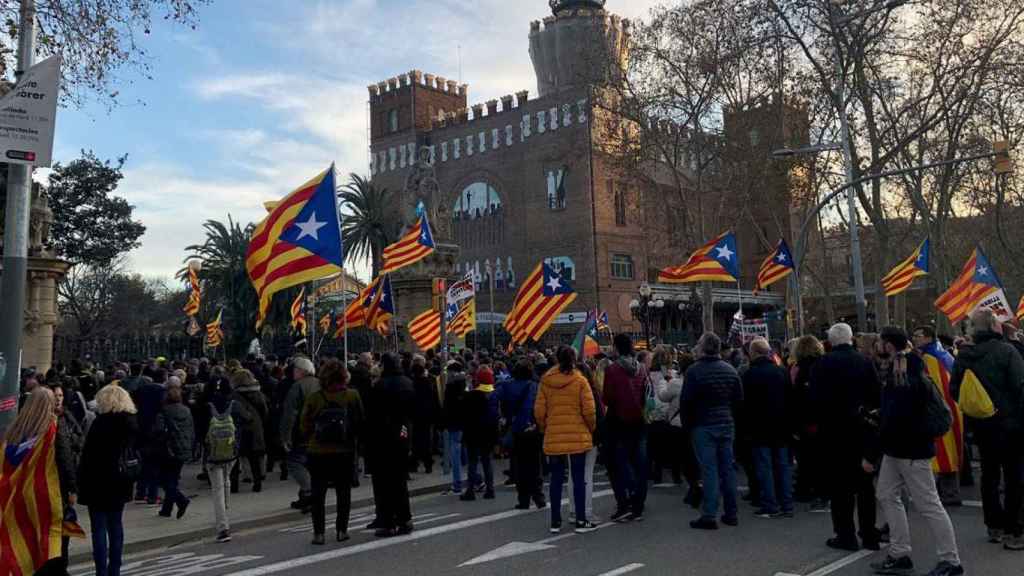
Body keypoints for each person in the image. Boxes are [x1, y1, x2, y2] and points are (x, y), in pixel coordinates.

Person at [870, 327, 965, 576]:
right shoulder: (907, 365)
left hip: (909, 448)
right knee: (887, 494)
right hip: (902, 447)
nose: (876, 347)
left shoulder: (902, 372)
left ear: (889, 346)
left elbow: (898, 414)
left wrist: (873, 450)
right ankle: (900, 551)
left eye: (879, 342)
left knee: (928, 504)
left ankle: (950, 560)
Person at [950, 308, 1024, 549]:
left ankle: (994, 526)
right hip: (1011, 424)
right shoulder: (1006, 351)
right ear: (994, 326)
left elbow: (955, 391)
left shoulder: (964, 356)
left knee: (989, 476)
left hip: (981, 425)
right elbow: (1020, 386)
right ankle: (1015, 530)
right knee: (1014, 478)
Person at [811, 323, 882, 551]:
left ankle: (845, 535)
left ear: (831, 341)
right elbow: (876, 396)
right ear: (851, 339)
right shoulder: (864, 361)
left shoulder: (822, 364)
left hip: (834, 432)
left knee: (840, 489)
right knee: (864, 487)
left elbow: (815, 399)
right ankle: (869, 534)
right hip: (861, 429)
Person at [299, 359, 365, 545]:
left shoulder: (315, 398)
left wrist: (310, 437)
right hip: (343, 450)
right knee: (343, 492)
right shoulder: (352, 396)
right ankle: (341, 530)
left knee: (318, 493)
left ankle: (318, 533)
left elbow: (304, 424)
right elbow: (360, 421)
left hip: (318, 450)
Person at [683, 332, 744, 530]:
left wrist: (688, 426)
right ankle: (732, 512)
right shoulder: (730, 370)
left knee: (709, 470)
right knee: (727, 468)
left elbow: (686, 402)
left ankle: (709, 514)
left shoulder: (694, 371)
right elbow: (738, 400)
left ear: (702, 347)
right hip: (725, 421)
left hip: (703, 424)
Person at [535, 346, 598, 534]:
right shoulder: (580, 380)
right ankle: (580, 520)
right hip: (577, 434)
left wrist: (545, 427)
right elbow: (589, 410)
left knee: (555, 479)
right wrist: (590, 428)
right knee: (578, 478)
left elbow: (539, 411)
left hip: (554, 433)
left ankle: (555, 521)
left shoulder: (546, 381)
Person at [79, 385, 139, 576]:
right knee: (116, 526)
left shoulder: (100, 423)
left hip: (98, 481)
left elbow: (87, 456)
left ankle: (101, 572)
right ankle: (115, 570)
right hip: (121, 480)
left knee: (98, 529)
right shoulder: (130, 422)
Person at [912, 325, 964, 507]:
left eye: (918, 335)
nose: (915, 338)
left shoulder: (931, 357)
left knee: (944, 450)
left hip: (940, 410)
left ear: (927, 338)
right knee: (947, 449)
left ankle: (949, 493)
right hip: (950, 408)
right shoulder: (943, 354)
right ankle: (948, 490)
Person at [742, 337, 794, 519]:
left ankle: (770, 504)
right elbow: (790, 399)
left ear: (753, 353)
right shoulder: (781, 371)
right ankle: (787, 504)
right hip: (781, 425)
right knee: (783, 465)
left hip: (759, 427)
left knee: (764, 467)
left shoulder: (749, 375)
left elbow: (744, 404)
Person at [366, 353, 416, 537]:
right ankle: (405, 519)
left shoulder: (381, 385)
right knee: (400, 480)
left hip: (384, 437)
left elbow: (372, 415)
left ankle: (388, 522)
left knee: (384, 483)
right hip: (403, 433)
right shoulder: (407, 383)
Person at [603, 333, 650, 523]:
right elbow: (646, 394)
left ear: (616, 347)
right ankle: (638, 505)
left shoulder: (612, 370)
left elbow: (607, 397)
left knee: (618, 465)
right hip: (639, 421)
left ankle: (624, 504)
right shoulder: (641, 368)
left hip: (618, 422)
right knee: (639, 465)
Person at [496, 358, 545, 509]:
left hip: (516, 429)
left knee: (519, 466)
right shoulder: (535, 387)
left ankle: (523, 499)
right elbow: (542, 407)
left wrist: (503, 417)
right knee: (535, 465)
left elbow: (494, 398)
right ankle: (538, 497)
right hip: (533, 429)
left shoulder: (506, 386)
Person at [49, 383, 84, 575]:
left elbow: (80, 437)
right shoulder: (51, 420)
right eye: (55, 395)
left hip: (62, 480)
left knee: (63, 527)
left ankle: (60, 565)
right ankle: (58, 567)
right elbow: (64, 457)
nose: (58, 398)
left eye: (61, 395)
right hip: (57, 480)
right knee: (60, 527)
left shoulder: (66, 416)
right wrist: (72, 488)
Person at [280, 357, 320, 512]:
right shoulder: (319, 383)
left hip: (302, 430)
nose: (293, 372)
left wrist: (285, 437)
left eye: (295, 370)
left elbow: (290, 414)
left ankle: (308, 492)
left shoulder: (297, 387)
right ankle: (305, 495)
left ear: (302, 371)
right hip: (319, 430)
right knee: (310, 462)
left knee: (295, 462)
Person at [205, 376, 238, 543]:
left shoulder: (207, 405)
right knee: (226, 481)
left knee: (217, 489)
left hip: (213, 453)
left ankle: (223, 526)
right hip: (231, 450)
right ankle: (225, 510)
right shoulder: (233, 403)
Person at [155, 386, 195, 519]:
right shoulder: (187, 410)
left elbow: (159, 431)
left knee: (164, 480)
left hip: (168, 449)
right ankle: (167, 509)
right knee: (173, 479)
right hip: (183, 447)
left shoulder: (163, 411)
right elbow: (191, 430)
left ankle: (181, 500)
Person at [460, 366, 500, 501]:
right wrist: (496, 439)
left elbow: (464, 415)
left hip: (473, 433)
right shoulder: (494, 396)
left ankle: (470, 490)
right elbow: (496, 419)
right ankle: (490, 489)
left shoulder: (470, 396)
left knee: (472, 462)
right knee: (487, 462)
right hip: (488, 434)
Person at [230, 369, 268, 493]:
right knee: (254, 457)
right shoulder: (258, 393)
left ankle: (234, 485)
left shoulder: (234, 395)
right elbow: (264, 410)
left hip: (238, 427)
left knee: (235, 457)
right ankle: (257, 484)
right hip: (255, 426)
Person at [648, 346, 682, 485]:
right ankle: (676, 475)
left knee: (655, 446)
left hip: (653, 414)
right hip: (671, 414)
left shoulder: (647, 375)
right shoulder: (674, 375)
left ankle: (656, 473)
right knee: (674, 448)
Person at [132, 372, 166, 504]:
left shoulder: (138, 394)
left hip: (141, 431)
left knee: (144, 463)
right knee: (154, 466)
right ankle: (152, 495)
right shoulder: (160, 391)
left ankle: (140, 492)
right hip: (155, 432)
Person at [409, 356, 440, 474]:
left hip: (414, 415)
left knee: (415, 440)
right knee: (426, 440)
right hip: (427, 415)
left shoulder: (411, 382)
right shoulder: (429, 382)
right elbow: (434, 399)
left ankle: (414, 463)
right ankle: (427, 463)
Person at [442, 361, 468, 495]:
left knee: (455, 454)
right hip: (462, 423)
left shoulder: (451, 387)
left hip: (454, 423)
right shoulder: (464, 384)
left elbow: (448, 407)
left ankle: (457, 483)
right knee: (464, 454)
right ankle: (475, 480)